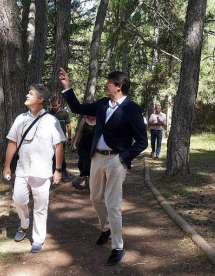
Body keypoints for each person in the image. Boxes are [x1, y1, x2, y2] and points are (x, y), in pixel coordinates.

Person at [59, 67, 148, 266]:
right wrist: (67, 87)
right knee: (94, 197)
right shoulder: (101, 104)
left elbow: (142, 142)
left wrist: (123, 157)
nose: (105, 85)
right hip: (97, 158)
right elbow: (77, 108)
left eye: (109, 82)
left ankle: (118, 246)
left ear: (119, 86)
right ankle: (106, 227)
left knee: (113, 203)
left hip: (117, 160)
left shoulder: (133, 109)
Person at [3, 84, 66, 253]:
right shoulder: (20, 119)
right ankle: (24, 224)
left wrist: (58, 170)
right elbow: (12, 142)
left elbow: (58, 145)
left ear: (40, 99)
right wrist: (7, 166)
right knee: (18, 199)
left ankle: (38, 239)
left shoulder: (51, 121)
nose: (26, 95)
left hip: (42, 171)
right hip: (23, 169)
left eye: (30, 94)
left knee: (40, 206)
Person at [49, 96, 71, 177]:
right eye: (52, 105)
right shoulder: (49, 113)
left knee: (62, 155)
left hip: (61, 139)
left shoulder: (64, 113)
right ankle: (53, 172)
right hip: (51, 139)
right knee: (52, 155)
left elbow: (68, 125)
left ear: (59, 104)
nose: (54, 107)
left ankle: (63, 172)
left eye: (55, 105)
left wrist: (69, 139)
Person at [72, 115, 96, 188]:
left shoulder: (99, 120)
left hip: (94, 146)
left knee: (92, 163)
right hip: (83, 145)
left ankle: (92, 181)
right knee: (82, 162)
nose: (92, 116)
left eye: (94, 114)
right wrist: (74, 143)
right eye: (91, 114)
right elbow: (79, 132)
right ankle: (84, 179)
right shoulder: (84, 120)